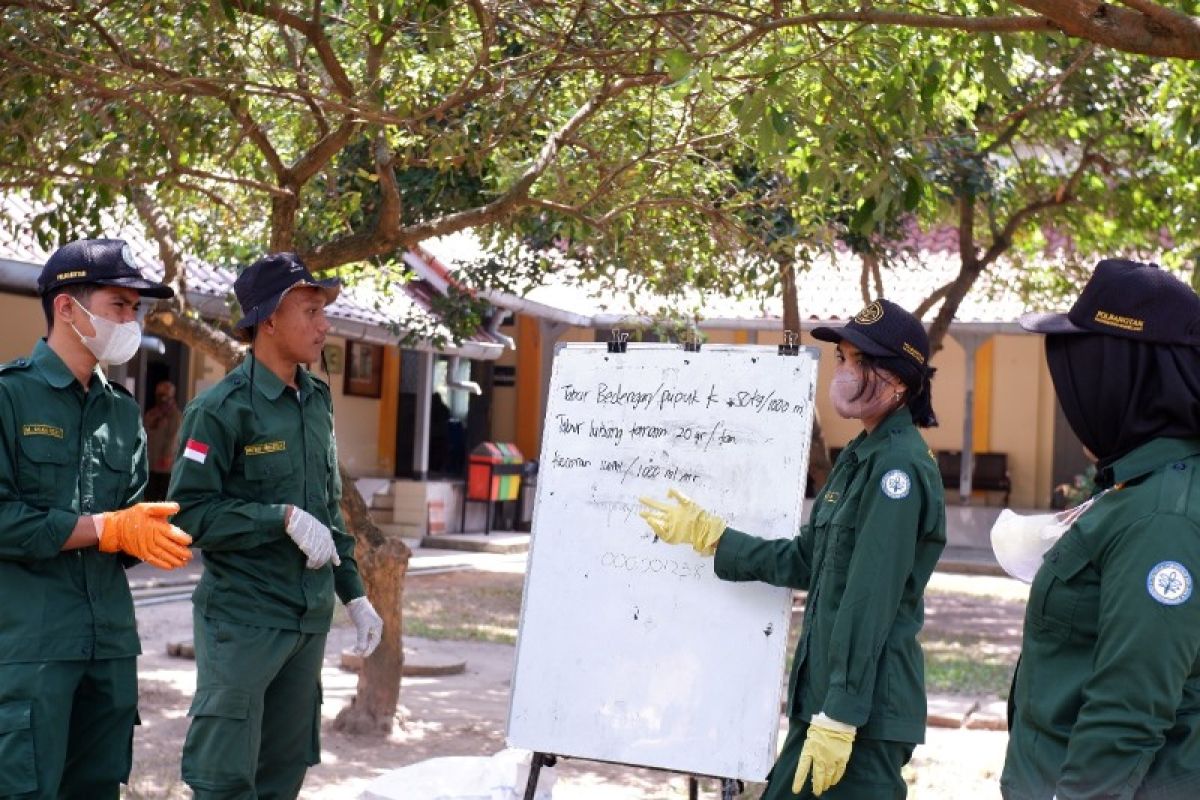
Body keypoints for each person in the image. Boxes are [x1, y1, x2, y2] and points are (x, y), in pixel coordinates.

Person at [640, 299, 944, 799]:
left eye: (859, 361)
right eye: (842, 358)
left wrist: (841, 716)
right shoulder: (859, 459)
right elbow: (809, 561)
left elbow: (869, 599)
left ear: (900, 382)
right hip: (827, 703)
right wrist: (715, 537)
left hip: (859, 716)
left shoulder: (897, 472)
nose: (844, 371)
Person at [169, 252, 384, 799]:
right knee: (224, 781)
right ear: (268, 320)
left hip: (306, 622)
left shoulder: (314, 402)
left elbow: (328, 508)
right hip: (244, 620)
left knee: (283, 775)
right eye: (310, 310)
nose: (324, 324)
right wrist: (278, 519)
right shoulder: (220, 409)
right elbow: (189, 514)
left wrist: (354, 595)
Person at [0, 238, 193, 799]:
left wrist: (152, 533)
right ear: (67, 307)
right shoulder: (10, 399)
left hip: (109, 647)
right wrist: (106, 528)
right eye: (119, 305)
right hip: (33, 648)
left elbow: (129, 524)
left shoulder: (123, 413)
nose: (132, 321)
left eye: (136, 309)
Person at [1001, 259, 1200, 799]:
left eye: (1084, 368)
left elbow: (1126, 717)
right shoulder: (1135, 485)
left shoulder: (1164, 515)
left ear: (1122, 376)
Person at [144, 379, 182, 501]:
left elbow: (174, 438)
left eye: (165, 395)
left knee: (164, 497)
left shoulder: (176, 416)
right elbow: (145, 432)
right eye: (159, 395)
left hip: (167, 466)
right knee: (150, 496)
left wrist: (167, 456)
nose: (162, 399)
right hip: (151, 462)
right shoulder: (152, 414)